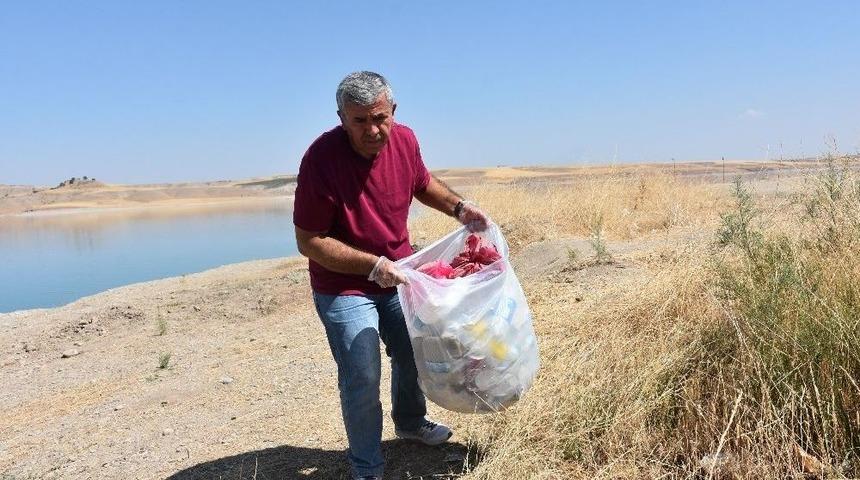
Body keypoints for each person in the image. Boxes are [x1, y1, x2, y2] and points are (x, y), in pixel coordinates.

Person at [292, 71, 489, 480]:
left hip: (400, 273)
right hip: (343, 284)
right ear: (342, 118)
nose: (372, 130)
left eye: (380, 117)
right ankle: (367, 467)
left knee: (413, 350)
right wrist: (371, 265)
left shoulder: (405, 139)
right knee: (362, 372)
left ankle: (410, 422)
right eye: (359, 121)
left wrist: (458, 207)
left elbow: (422, 182)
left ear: (393, 112)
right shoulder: (320, 159)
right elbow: (310, 241)